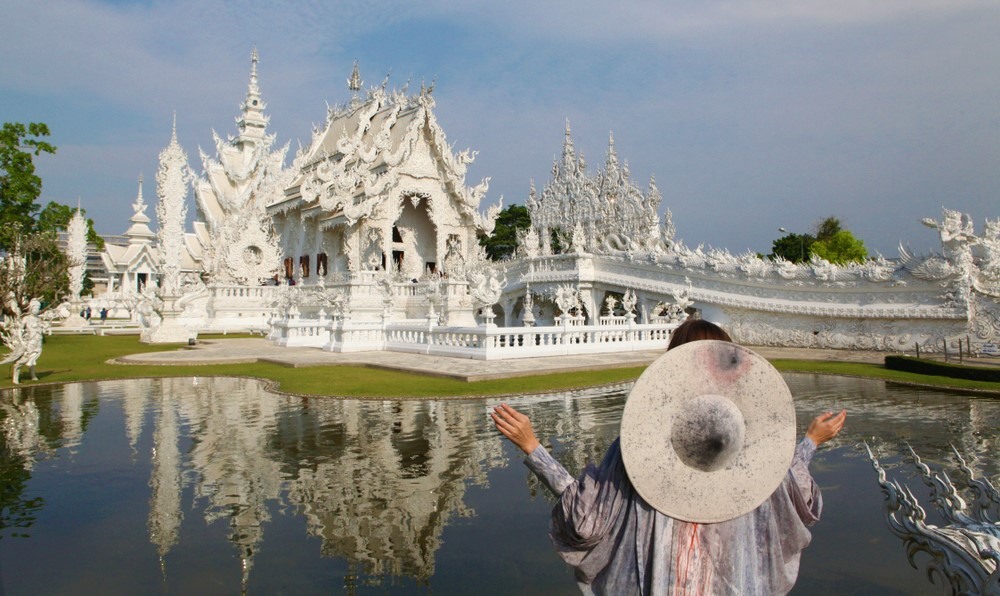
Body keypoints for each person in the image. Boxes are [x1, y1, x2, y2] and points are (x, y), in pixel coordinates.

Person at [492, 318, 847, 595]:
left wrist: (534, 449)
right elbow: (799, 497)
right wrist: (809, 443)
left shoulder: (638, 446)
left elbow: (586, 520)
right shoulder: (755, 445)